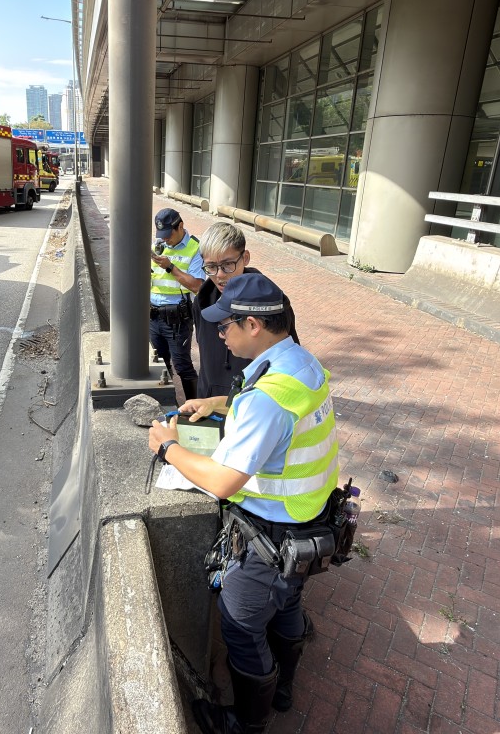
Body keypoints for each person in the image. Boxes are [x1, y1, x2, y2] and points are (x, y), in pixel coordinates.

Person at [147, 273, 339, 734]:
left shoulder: (268, 399)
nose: (219, 335)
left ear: (252, 325)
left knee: (240, 624)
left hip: (270, 538)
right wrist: (218, 403)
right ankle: (284, 689)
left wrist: (168, 448)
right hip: (310, 523)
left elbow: (223, 481)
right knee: (287, 605)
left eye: (224, 325)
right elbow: (273, 415)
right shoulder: (301, 363)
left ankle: (247, 724)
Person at [193, 222, 298, 399]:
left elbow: (288, 355)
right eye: (211, 267)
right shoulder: (201, 301)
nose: (219, 275)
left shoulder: (272, 303)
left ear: (245, 258)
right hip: (209, 401)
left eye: (228, 264)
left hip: (255, 401)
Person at [150, 207, 205, 402]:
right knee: (159, 364)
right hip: (153, 317)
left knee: (182, 366)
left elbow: (197, 286)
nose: (165, 239)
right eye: (161, 235)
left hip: (177, 320)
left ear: (180, 226)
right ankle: (169, 406)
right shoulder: (158, 245)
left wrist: (170, 267)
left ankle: (195, 409)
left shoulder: (195, 248)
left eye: (168, 234)